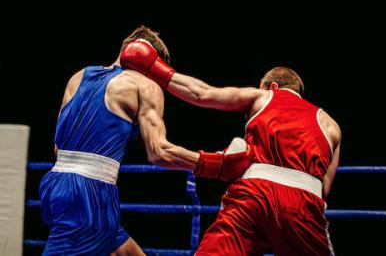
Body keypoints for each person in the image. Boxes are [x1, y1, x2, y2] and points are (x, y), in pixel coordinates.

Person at [39, 26, 253, 256]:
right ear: (152, 63)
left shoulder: (78, 76)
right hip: (89, 194)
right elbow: (158, 152)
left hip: (54, 185)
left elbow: (57, 147)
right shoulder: (145, 85)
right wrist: (216, 165)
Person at [121, 42, 341, 255]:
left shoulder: (263, 96)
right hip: (303, 204)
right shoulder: (330, 124)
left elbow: (202, 93)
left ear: (270, 85)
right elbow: (324, 189)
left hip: (254, 195)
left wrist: (153, 67)